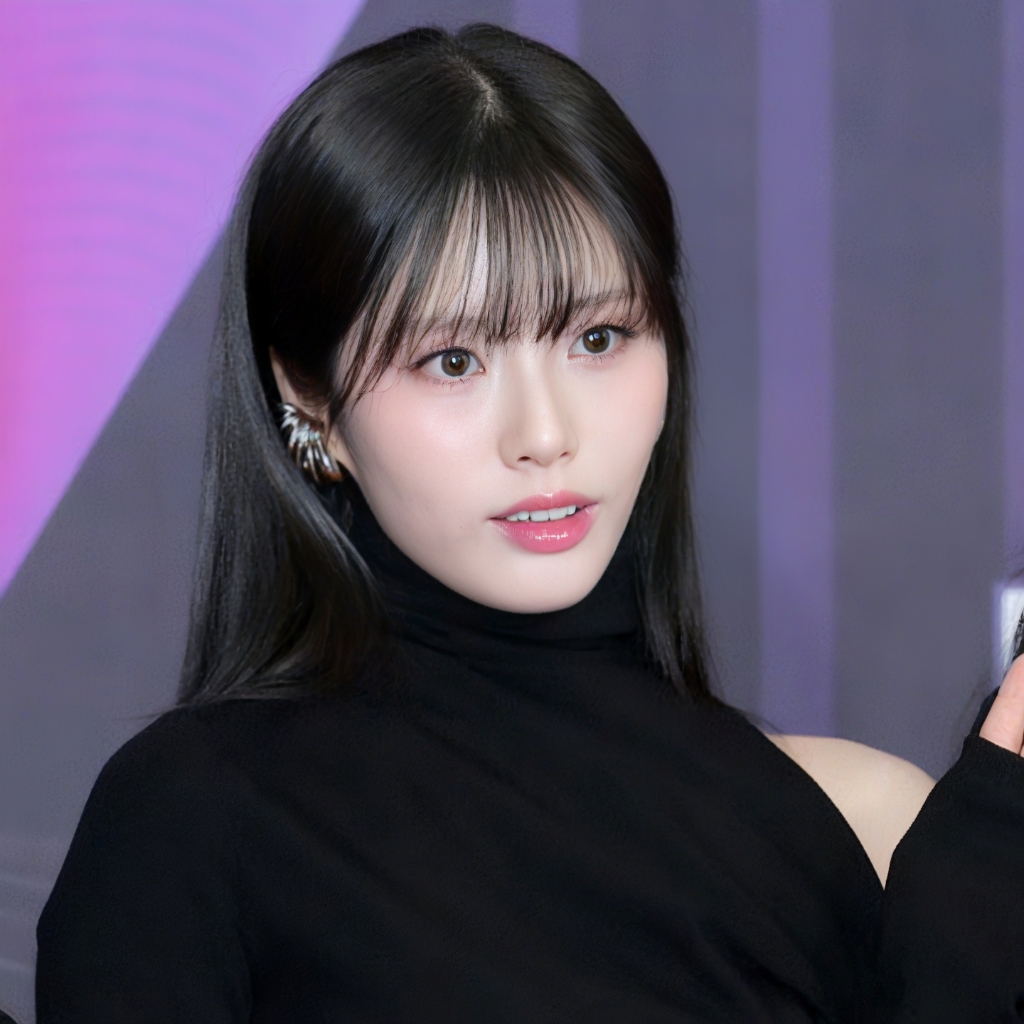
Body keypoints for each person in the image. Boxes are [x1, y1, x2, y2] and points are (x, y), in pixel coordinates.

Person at [35, 24, 1024, 1023]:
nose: (545, 435)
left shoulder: (873, 829)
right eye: (453, 361)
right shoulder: (195, 823)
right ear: (310, 397)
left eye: (598, 338)